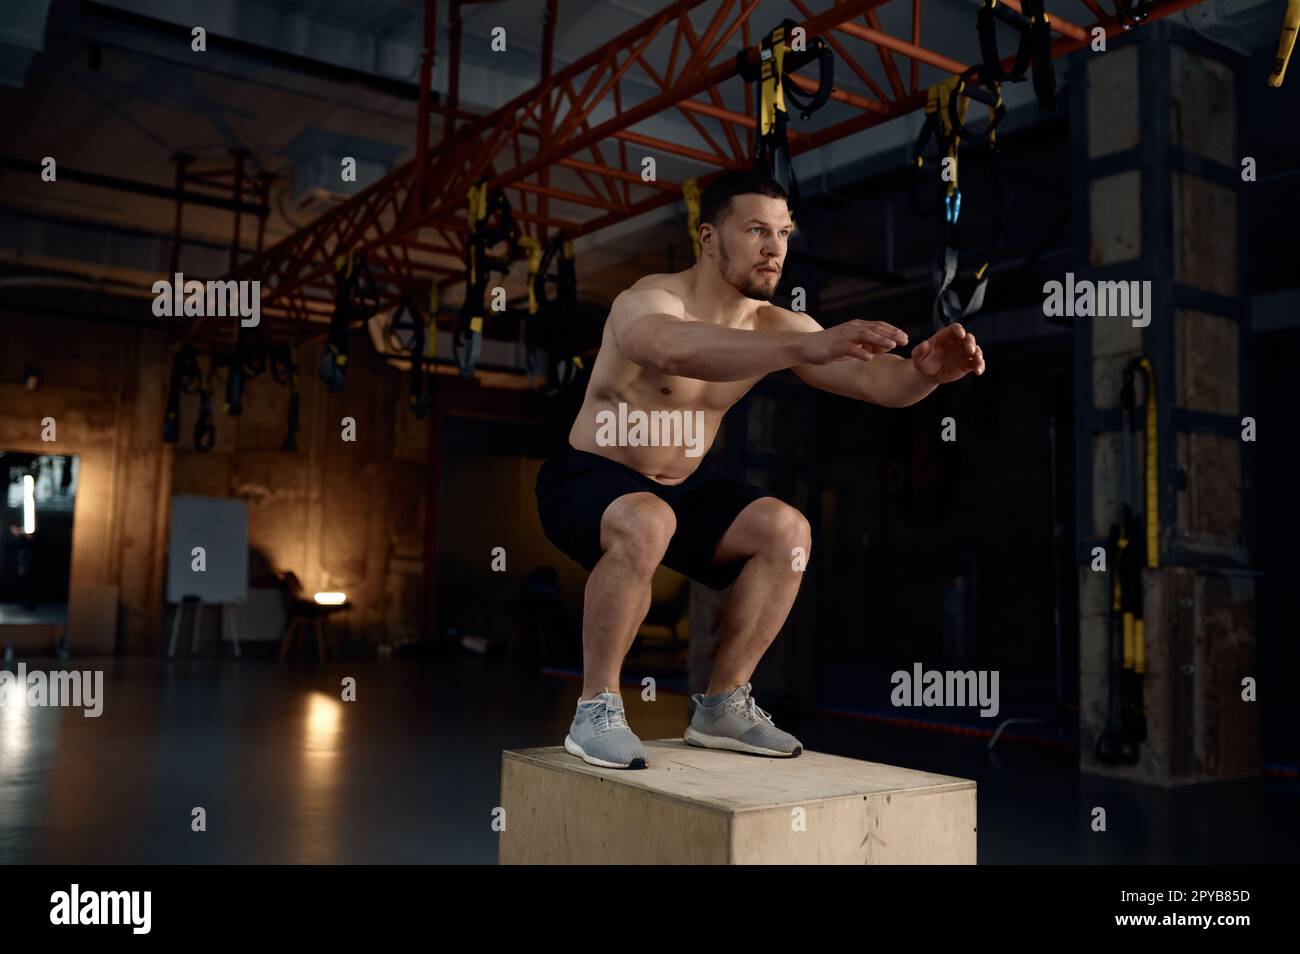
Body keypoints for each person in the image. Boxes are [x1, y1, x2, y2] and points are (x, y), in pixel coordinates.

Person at [535, 171, 985, 768]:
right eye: (755, 230)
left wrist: (925, 374)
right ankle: (596, 708)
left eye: (783, 233)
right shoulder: (648, 299)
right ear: (709, 238)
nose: (775, 248)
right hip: (592, 472)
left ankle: (721, 704)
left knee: (787, 532)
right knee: (647, 521)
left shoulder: (776, 327)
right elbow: (670, 347)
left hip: (683, 487)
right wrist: (803, 349)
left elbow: (877, 381)